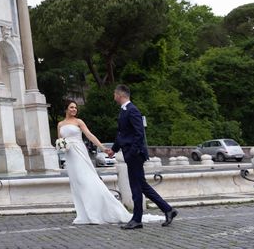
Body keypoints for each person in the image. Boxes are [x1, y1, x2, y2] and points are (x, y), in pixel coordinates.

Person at [57, 100, 162, 225]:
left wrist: (102, 148)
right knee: (76, 183)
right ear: (66, 109)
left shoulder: (78, 122)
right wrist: (61, 146)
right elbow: (60, 140)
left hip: (79, 152)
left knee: (87, 180)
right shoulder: (60, 124)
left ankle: (96, 211)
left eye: (75, 107)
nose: (74, 109)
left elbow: (90, 135)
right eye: (71, 107)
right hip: (70, 155)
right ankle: (83, 213)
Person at [106, 84, 178, 229]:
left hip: (135, 155)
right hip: (130, 154)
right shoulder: (123, 111)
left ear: (120, 95)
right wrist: (114, 150)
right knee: (141, 186)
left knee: (136, 186)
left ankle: (137, 219)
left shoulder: (132, 110)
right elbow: (122, 134)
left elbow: (140, 134)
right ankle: (168, 210)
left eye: (114, 93)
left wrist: (132, 153)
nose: (114, 96)